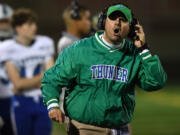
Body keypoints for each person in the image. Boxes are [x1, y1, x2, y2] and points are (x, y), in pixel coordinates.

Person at [41, 3, 167, 135]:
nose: (117, 23)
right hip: (85, 127)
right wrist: (53, 105)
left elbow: (156, 82)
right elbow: (51, 79)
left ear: (131, 28)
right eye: (113, 18)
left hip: (120, 129)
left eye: (123, 20)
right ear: (103, 22)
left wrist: (143, 48)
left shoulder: (134, 54)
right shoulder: (79, 49)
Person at [0, 8, 54, 135]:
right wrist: (42, 78)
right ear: (18, 28)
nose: (34, 28)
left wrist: (26, 83)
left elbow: (52, 77)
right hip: (21, 102)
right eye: (29, 24)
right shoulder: (7, 48)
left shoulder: (44, 43)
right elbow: (17, 84)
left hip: (42, 101)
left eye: (34, 24)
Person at [0, 3, 14, 135]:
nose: (4, 26)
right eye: (1, 22)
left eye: (6, 22)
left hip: (17, 98)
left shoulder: (19, 43)